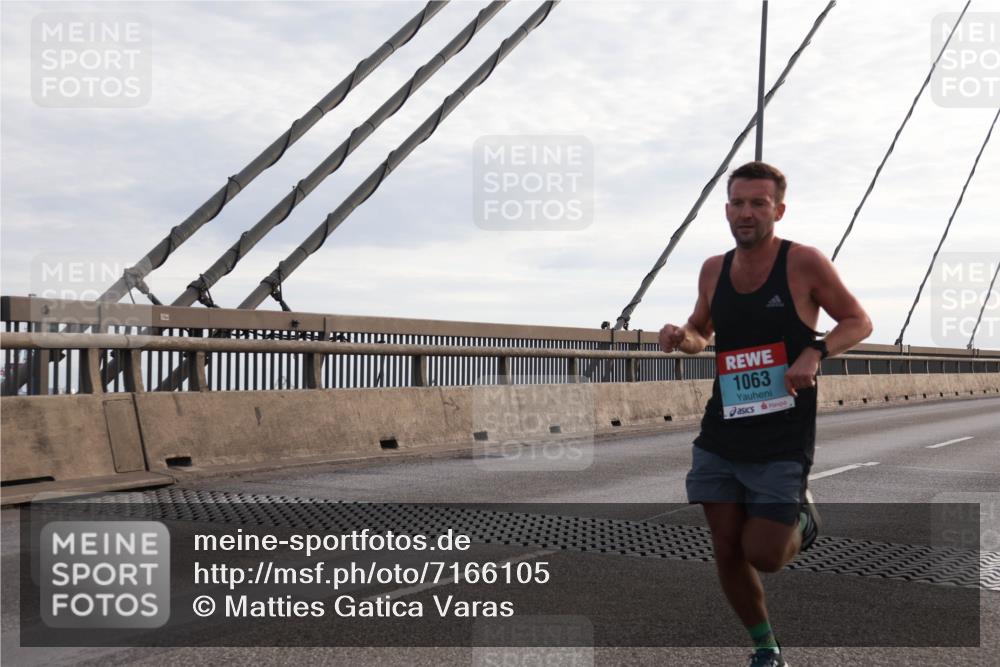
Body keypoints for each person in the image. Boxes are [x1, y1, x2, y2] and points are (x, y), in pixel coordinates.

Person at [658, 162, 872, 667]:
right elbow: (700, 333)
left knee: (764, 555)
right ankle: (765, 646)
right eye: (737, 203)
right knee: (727, 547)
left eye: (758, 203)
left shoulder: (803, 263)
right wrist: (678, 338)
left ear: (778, 209)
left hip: (782, 435)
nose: (746, 212)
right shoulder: (713, 269)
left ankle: (802, 518)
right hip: (723, 431)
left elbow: (859, 320)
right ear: (727, 209)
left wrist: (816, 351)